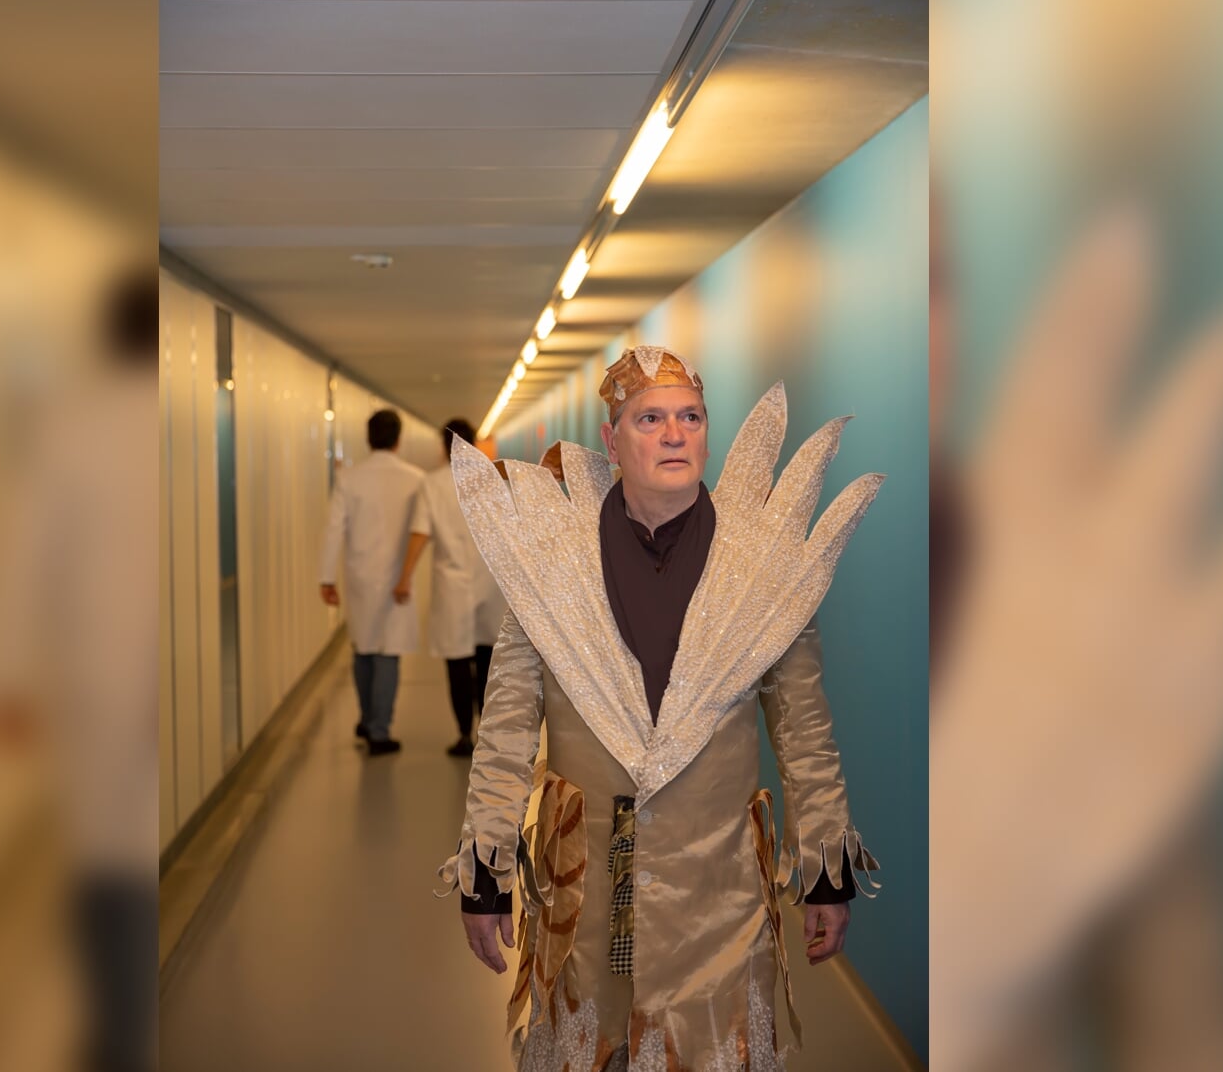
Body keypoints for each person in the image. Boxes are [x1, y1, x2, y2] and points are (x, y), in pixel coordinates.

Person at [436, 346, 886, 1070]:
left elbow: (804, 730)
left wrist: (827, 872)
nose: (675, 434)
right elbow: (507, 731)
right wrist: (485, 876)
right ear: (612, 440)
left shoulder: (764, 567)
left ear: (707, 433)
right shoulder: (549, 563)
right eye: (651, 419)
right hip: (589, 891)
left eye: (690, 417)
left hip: (720, 893)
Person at [0, 268, 159, 1072]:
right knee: (132, 831)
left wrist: (6, 671)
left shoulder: (71, 428)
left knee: (101, 844)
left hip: (96, 664)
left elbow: (25, 555)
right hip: (158, 663)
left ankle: (117, 1022)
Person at [395, 419, 509, 757]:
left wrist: (404, 577)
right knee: (489, 660)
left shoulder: (432, 484)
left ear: (442, 447)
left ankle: (464, 735)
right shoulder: (492, 478)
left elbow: (420, 532)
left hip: (452, 585)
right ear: (472, 442)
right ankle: (488, 734)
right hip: (491, 582)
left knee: (457, 663)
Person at [318, 408, 423, 755]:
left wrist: (326, 577)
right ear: (398, 439)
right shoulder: (415, 478)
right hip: (397, 577)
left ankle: (366, 719)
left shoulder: (349, 478)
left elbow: (334, 530)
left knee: (363, 647)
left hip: (360, 575)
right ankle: (379, 731)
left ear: (368, 438)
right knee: (387, 652)